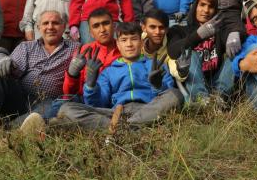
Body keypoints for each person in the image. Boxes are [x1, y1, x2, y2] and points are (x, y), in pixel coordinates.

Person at [49, 22, 183, 131]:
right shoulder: (108, 72)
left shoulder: (155, 65)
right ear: (118, 44)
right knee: (67, 108)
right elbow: (97, 103)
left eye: (134, 39)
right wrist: (90, 85)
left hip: (147, 109)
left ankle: (119, 128)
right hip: (114, 112)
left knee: (175, 95)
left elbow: (165, 97)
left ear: (141, 42)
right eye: (124, 40)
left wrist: (158, 86)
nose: (129, 44)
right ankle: (131, 128)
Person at [0, 10, 80, 122]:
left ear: (64, 26)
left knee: (50, 107)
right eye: (45, 23)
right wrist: (6, 62)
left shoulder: (74, 48)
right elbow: (13, 68)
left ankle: (11, 127)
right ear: (38, 27)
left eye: (55, 23)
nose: (50, 27)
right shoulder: (26, 47)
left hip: (50, 101)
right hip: (20, 98)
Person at [167, 0, 245, 102]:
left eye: (211, 7)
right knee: (191, 53)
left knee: (236, 54)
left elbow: (239, 29)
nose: (206, 10)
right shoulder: (179, 30)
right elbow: (172, 51)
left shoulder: (219, 30)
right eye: (202, 5)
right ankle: (202, 100)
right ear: (195, 7)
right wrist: (198, 35)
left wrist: (236, 33)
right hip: (193, 85)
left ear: (215, 11)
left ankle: (219, 98)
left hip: (217, 82)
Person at [59, 8, 121, 112]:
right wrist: (72, 74)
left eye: (106, 23)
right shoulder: (84, 51)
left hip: (117, 102)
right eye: (96, 26)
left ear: (114, 26)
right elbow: (69, 93)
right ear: (91, 33)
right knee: (63, 106)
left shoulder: (126, 48)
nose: (102, 30)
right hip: (87, 103)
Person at [140, 9, 186, 83]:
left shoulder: (170, 46)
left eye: (161, 28)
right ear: (144, 28)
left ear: (167, 29)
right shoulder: (135, 41)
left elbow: (175, 69)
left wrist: (182, 72)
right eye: (152, 27)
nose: (157, 32)